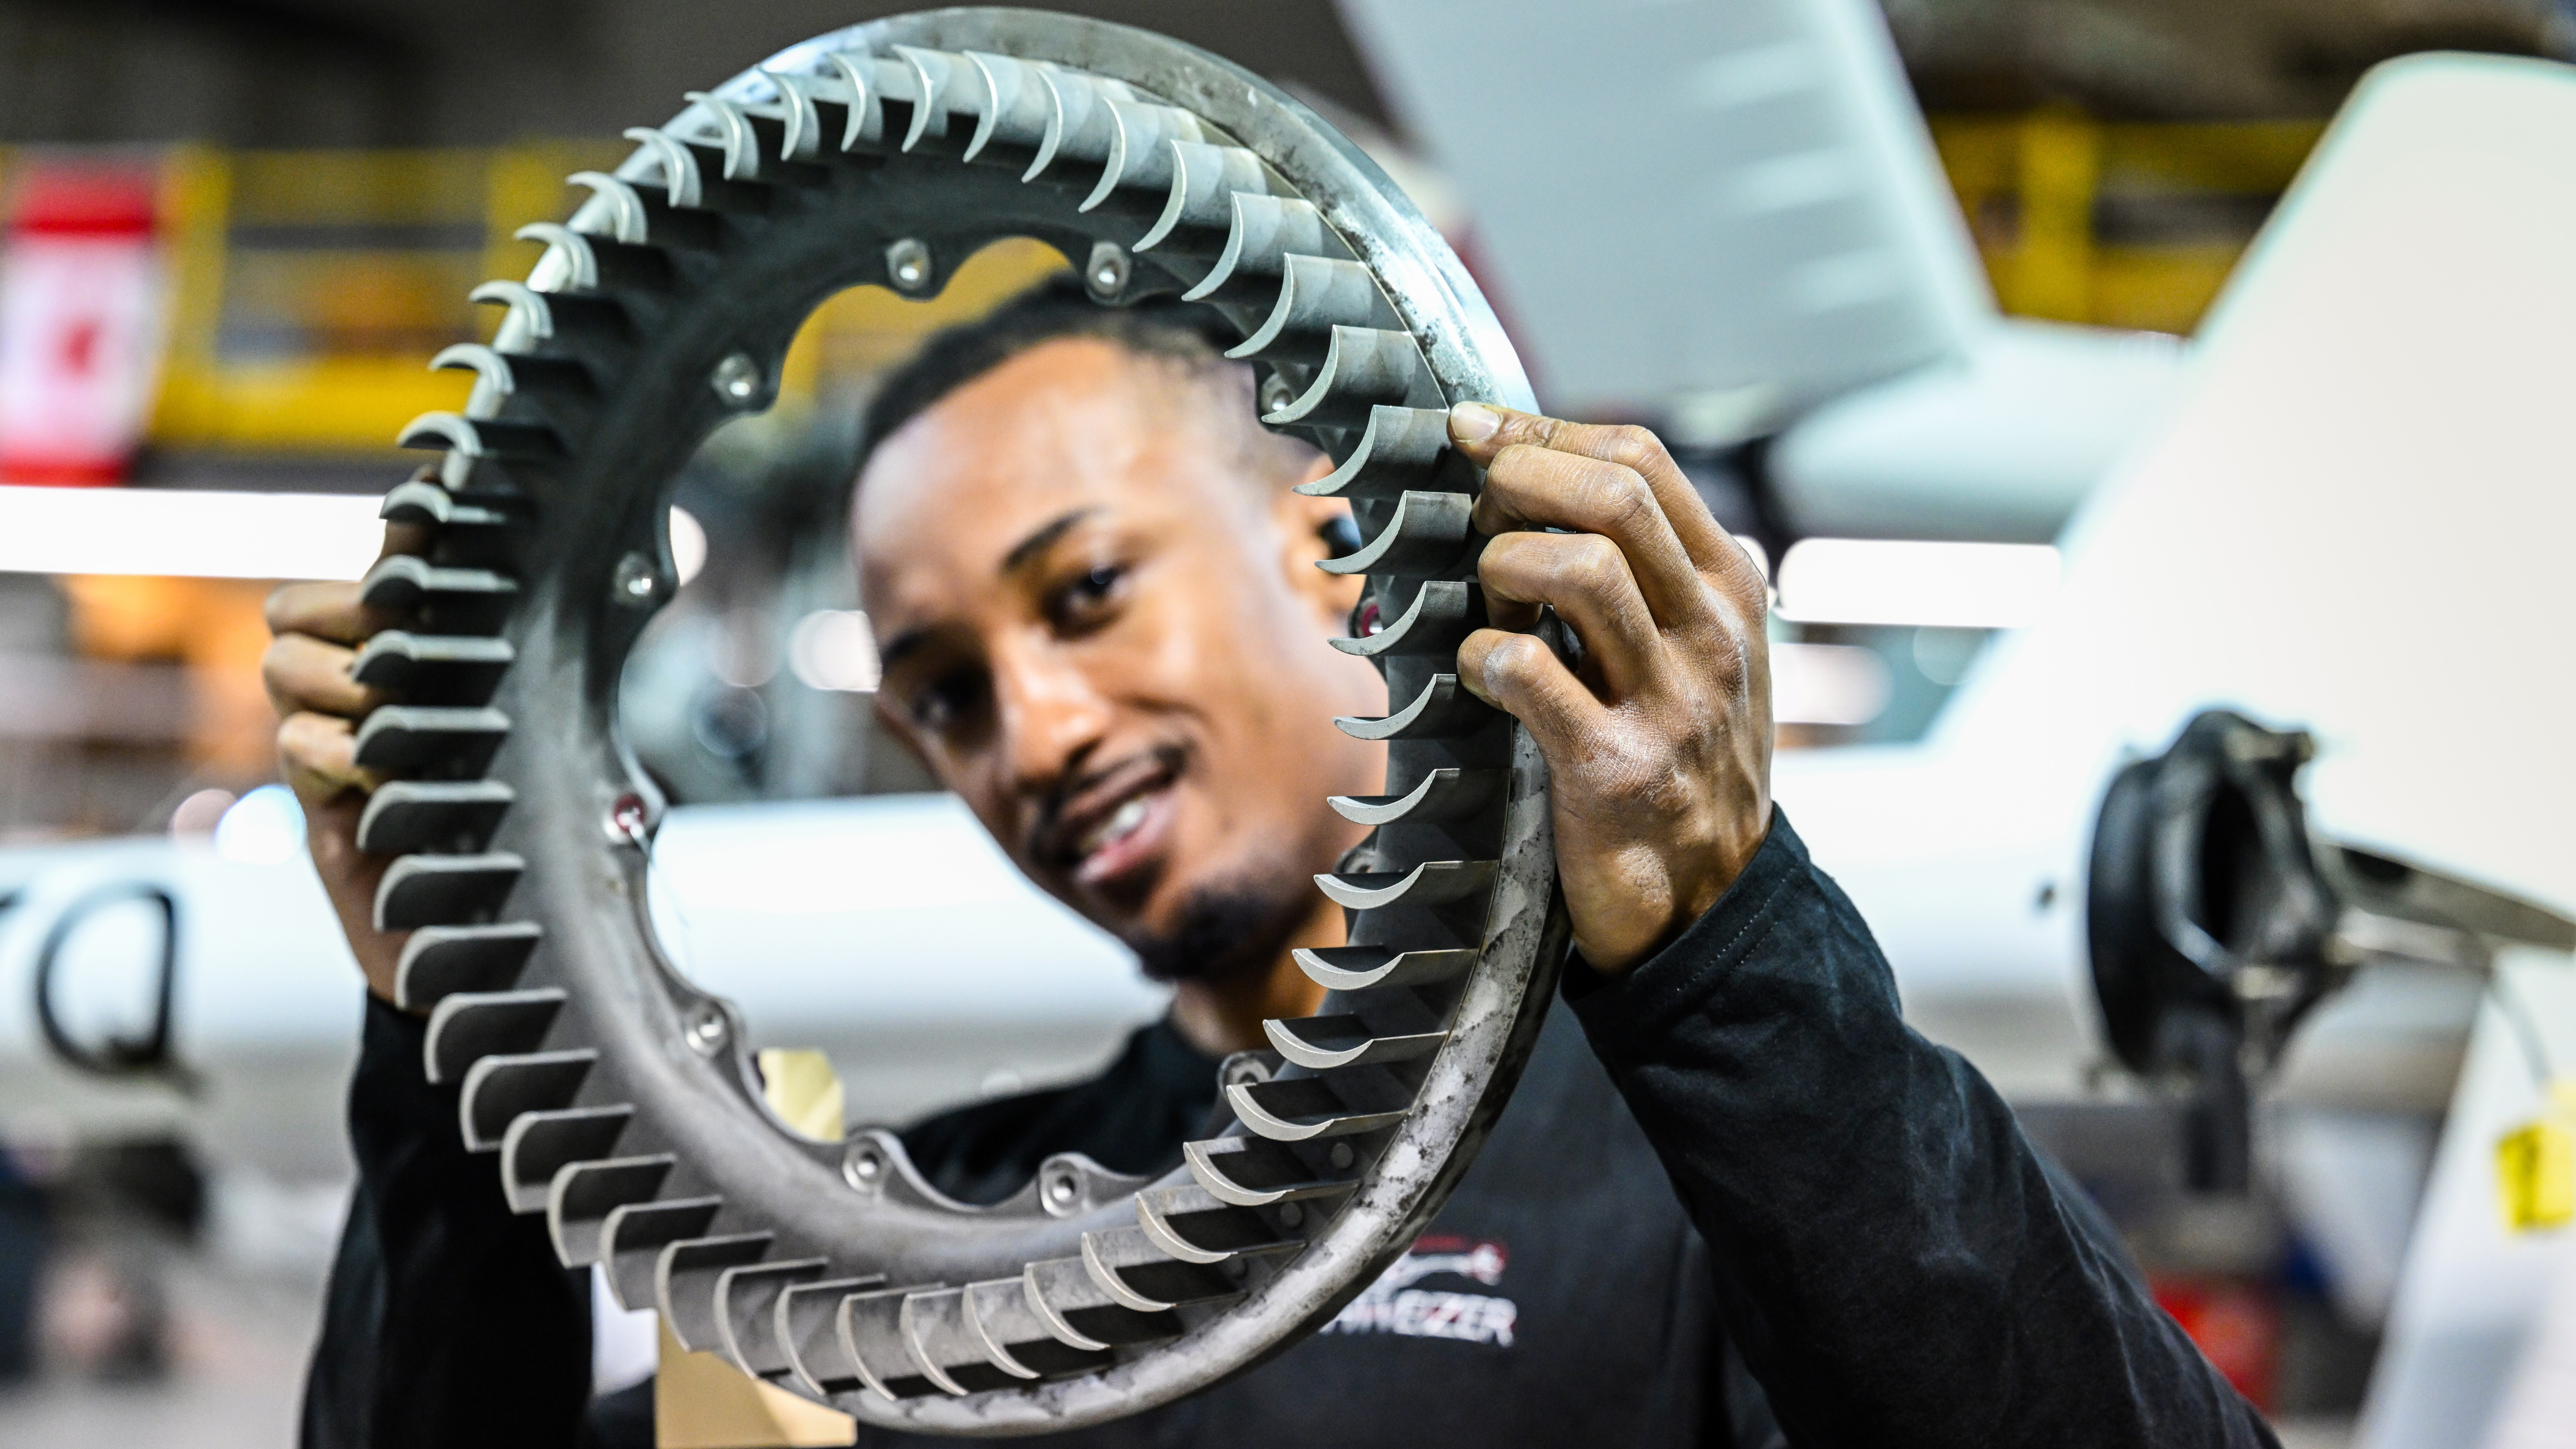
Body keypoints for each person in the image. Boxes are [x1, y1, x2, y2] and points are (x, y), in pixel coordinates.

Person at [265, 277, 2278, 1449]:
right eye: (944, 688)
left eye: (1090, 591)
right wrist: (455, 1031)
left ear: (1334, 542)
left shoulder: (1727, 1186)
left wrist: (1735, 945)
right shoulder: (943, 1245)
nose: (1032, 734)